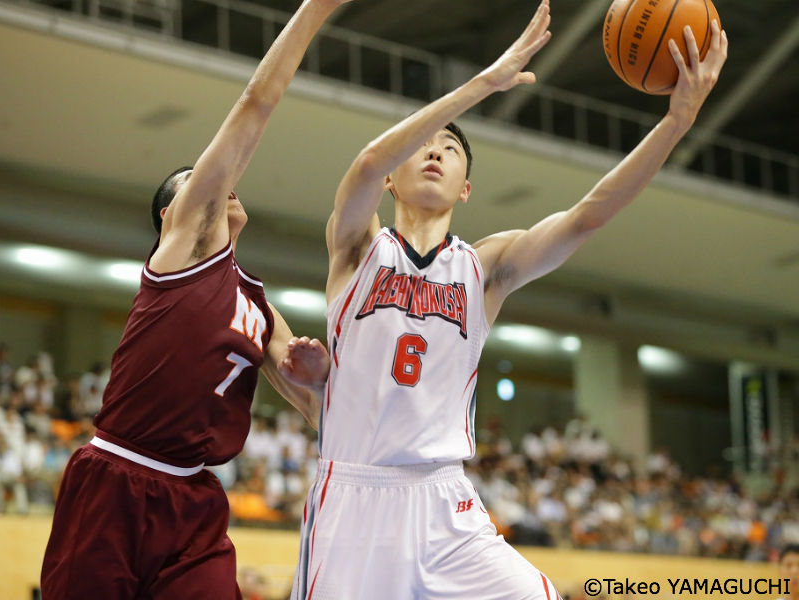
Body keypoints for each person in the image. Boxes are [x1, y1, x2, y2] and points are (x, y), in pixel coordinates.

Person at [292, 1, 728, 598]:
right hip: (354, 493)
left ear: (465, 189)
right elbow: (368, 161)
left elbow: (586, 218)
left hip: (444, 499)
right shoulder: (356, 247)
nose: (437, 150)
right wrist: (481, 86)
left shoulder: (484, 267)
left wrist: (677, 121)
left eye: (451, 148)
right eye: (424, 143)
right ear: (394, 176)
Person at [41, 0, 353, 597]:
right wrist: (315, 11)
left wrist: (315, 373)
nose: (223, 183)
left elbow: (317, 404)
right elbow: (254, 106)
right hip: (116, 480)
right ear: (171, 214)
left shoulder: (258, 304)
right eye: (200, 181)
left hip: (193, 498)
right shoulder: (182, 251)